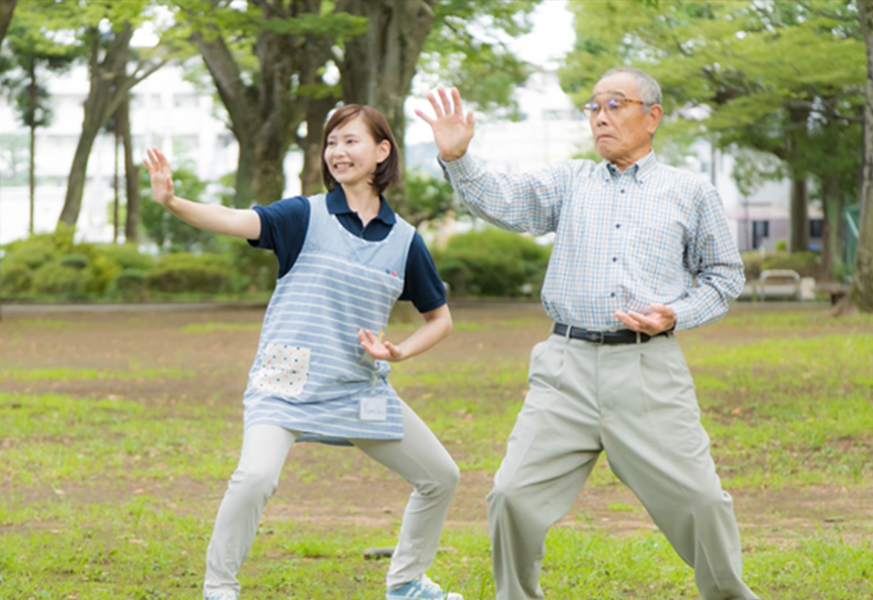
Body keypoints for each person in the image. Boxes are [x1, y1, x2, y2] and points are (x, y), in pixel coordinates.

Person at [416, 68, 760, 600]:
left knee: (702, 501)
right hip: (565, 367)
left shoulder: (690, 191)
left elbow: (724, 274)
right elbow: (505, 201)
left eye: (615, 104)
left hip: (648, 371)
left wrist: (676, 313)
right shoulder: (570, 181)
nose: (600, 116)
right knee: (511, 495)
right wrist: (458, 158)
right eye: (593, 106)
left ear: (652, 116)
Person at [146, 104, 463, 600]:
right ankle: (219, 589)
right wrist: (173, 203)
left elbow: (439, 319)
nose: (337, 151)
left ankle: (406, 584)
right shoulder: (303, 215)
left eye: (350, 141)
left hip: (358, 388)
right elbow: (233, 219)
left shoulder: (404, 241)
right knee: (254, 478)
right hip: (285, 383)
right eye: (331, 142)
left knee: (441, 476)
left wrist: (399, 353)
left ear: (382, 151)